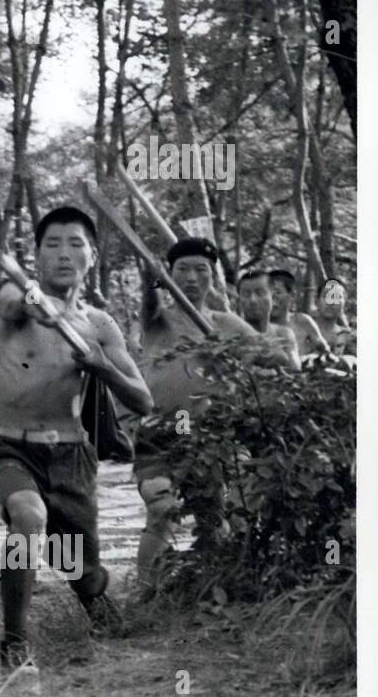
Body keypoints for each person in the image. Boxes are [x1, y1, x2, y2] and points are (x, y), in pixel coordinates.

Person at [0, 208, 153, 667]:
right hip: (10, 447)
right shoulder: (14, 300)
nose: (63, 253)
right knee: (27, 516)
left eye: (75, 243)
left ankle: (96, 599)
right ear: (36, 256)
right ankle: (14, 641)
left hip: (72, 455)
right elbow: (18, 301)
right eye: (52, 244)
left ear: (92, 256)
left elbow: (143, 400)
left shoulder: (98, 326)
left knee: (79, 567)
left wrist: (103, 367)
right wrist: (40, 303)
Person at [134, 239, 295, 594]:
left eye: (201, 270)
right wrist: (150, 278)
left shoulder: (227, 323)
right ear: (169, 275)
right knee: (161, 509)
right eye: (182, 270)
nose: (191, 278)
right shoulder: (158, 318)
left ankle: (213, 589)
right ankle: (143, 596)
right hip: (160, 435)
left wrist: (250, 359)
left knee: (213, 520)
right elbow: (148, 301)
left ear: (213, 277)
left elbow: (279, 360)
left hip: (210, 438)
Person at [236, 270, 302, 370]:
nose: (252, 300)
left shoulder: (283, 334)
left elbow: (296, 368)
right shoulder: (232, 330)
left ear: (273, 297)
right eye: (246, 294)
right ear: (239, 299)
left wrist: (262, 355)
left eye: (259, 293)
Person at [267, 268, 330, 359]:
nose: (272, 298)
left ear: (292, 295)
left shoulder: (301, 321)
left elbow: (325, 350)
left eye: (278, 292)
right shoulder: (256, 324)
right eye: (267, 293)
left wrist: (309, 358)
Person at [314, 277, 354, 357]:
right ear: (316, 301)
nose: (330, 302)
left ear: (345, 305)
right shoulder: (303, 330)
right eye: (326, 296)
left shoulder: (350, 338)